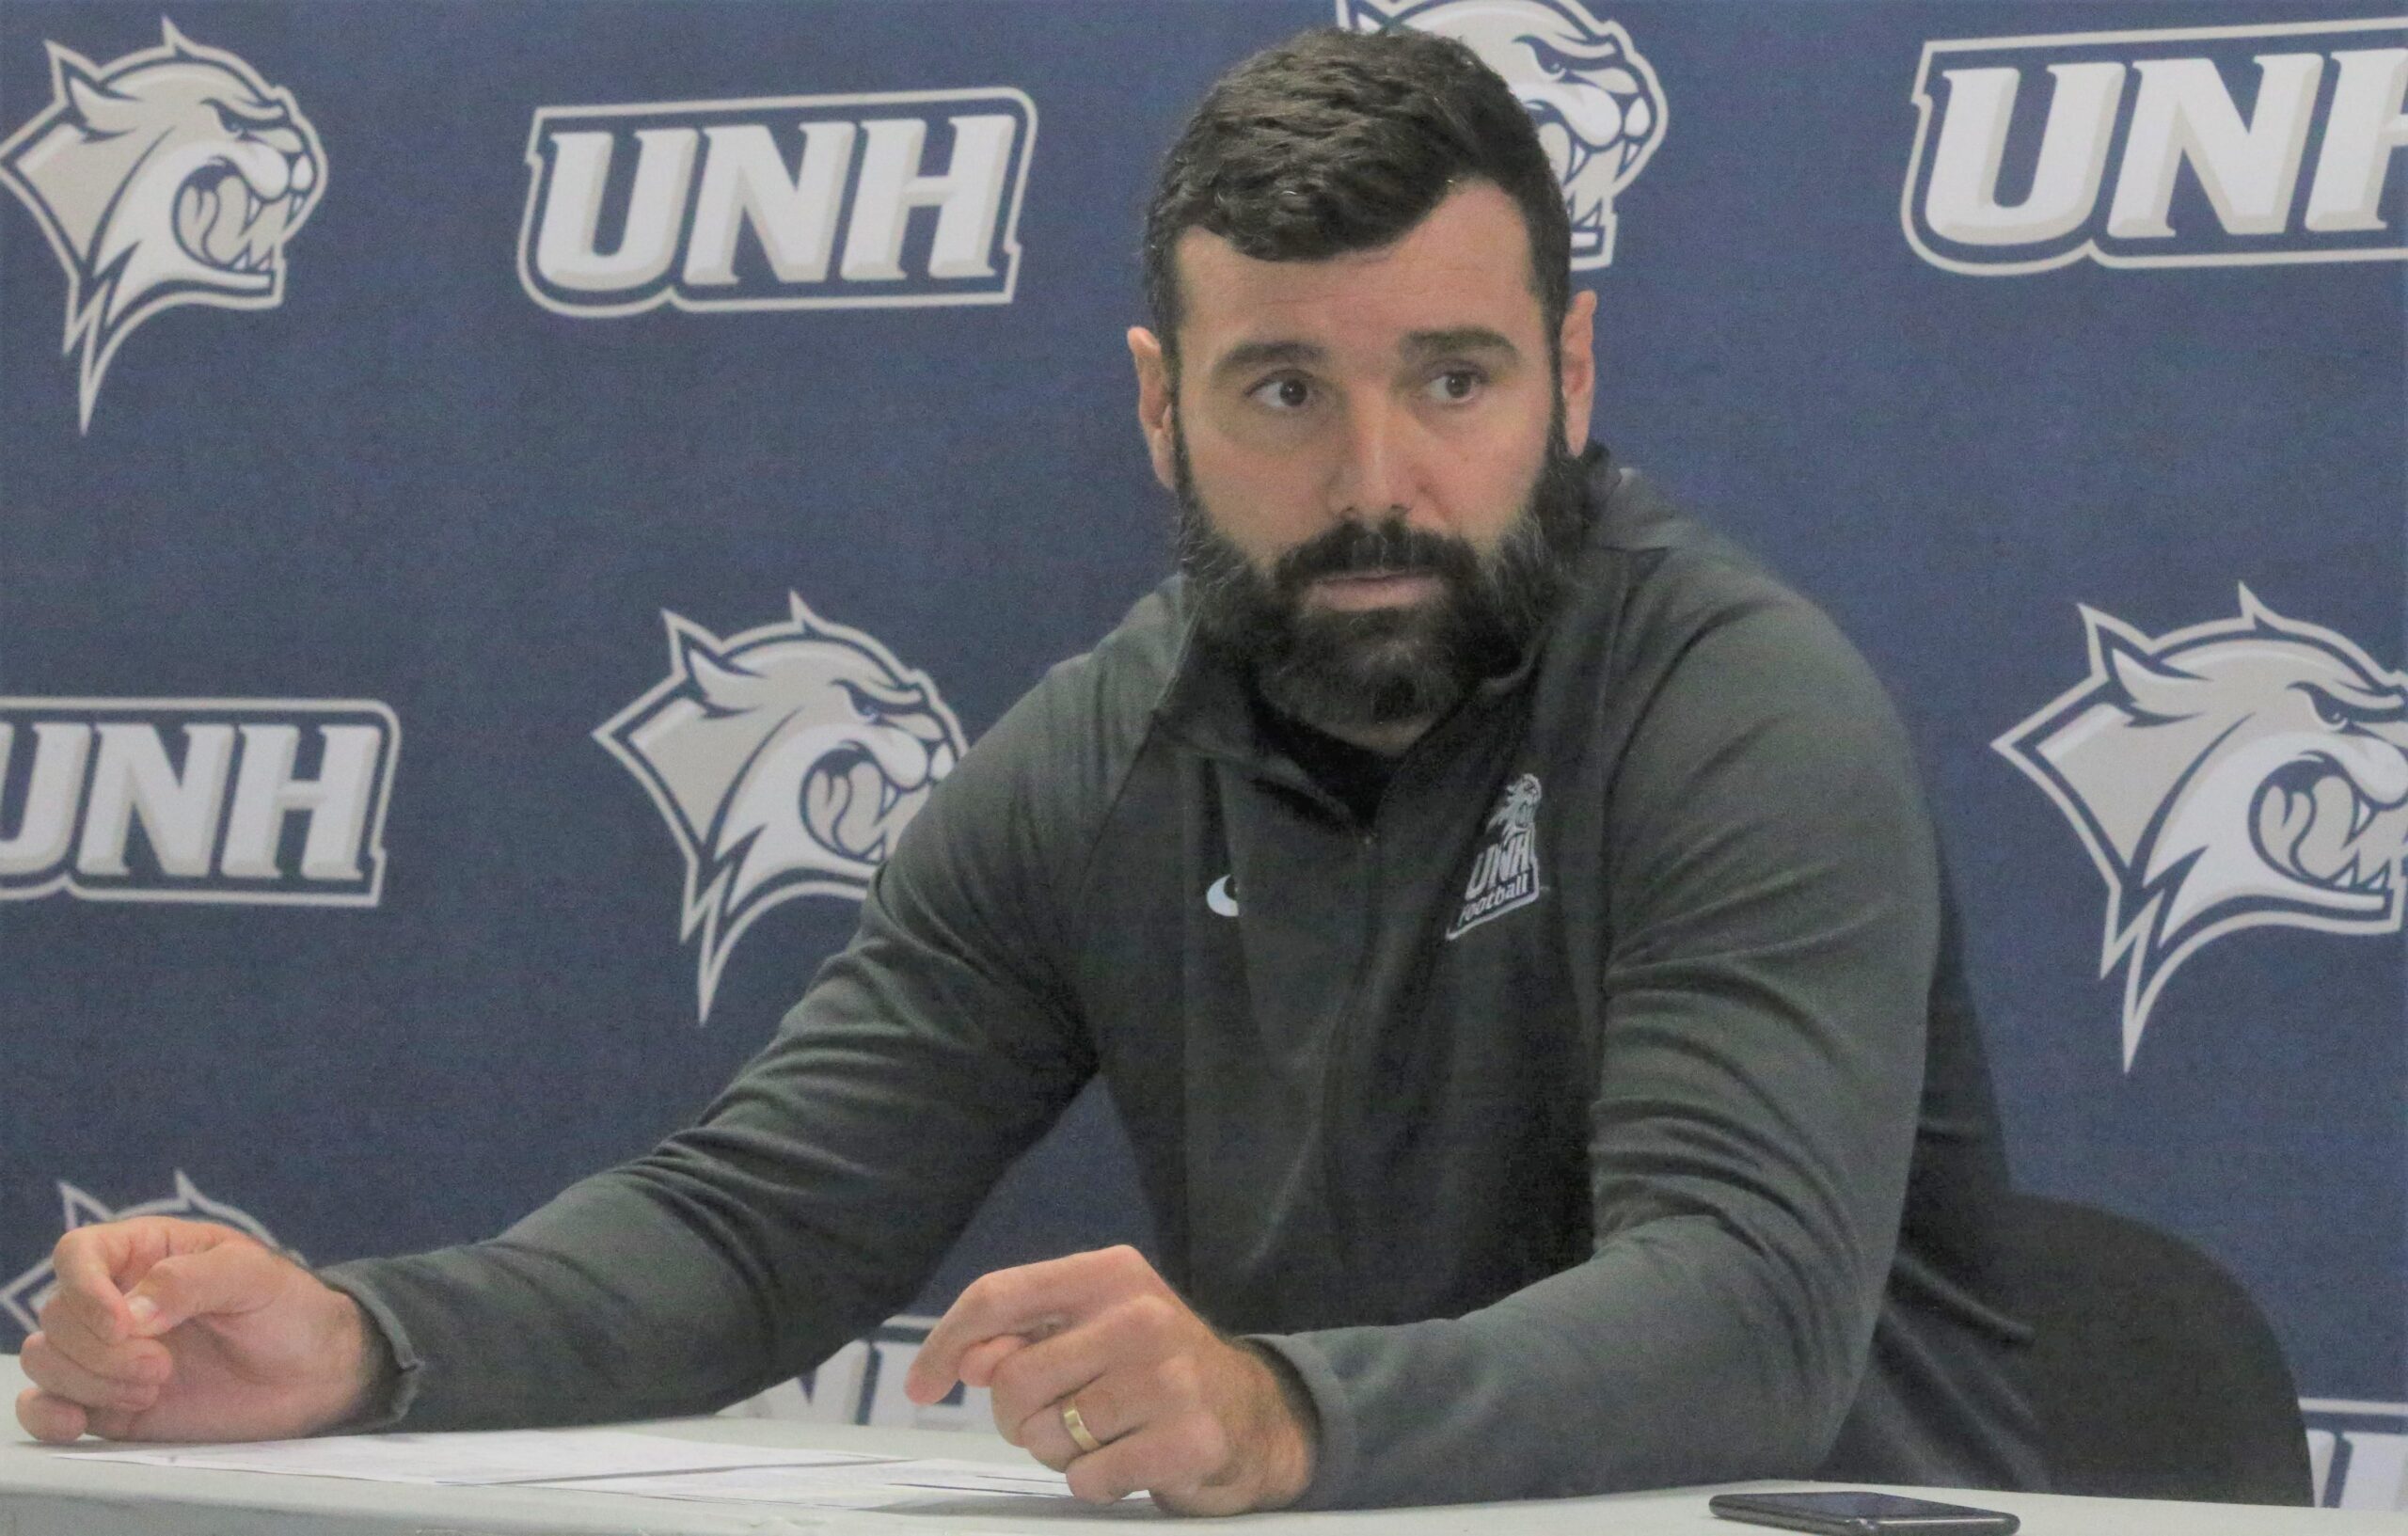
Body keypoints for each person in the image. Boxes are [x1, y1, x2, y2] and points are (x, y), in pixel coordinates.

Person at [12, 27, 2044, 1512]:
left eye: (1452, 376)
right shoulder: (1103, 751)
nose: (1377, 483)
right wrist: (365, 1344)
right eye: (1280, 389)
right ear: (1158, 411)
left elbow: (1744, 1316)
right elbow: (753, 1227)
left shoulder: (1736, 710)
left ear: (1569, 376)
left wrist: (1271, 1410)